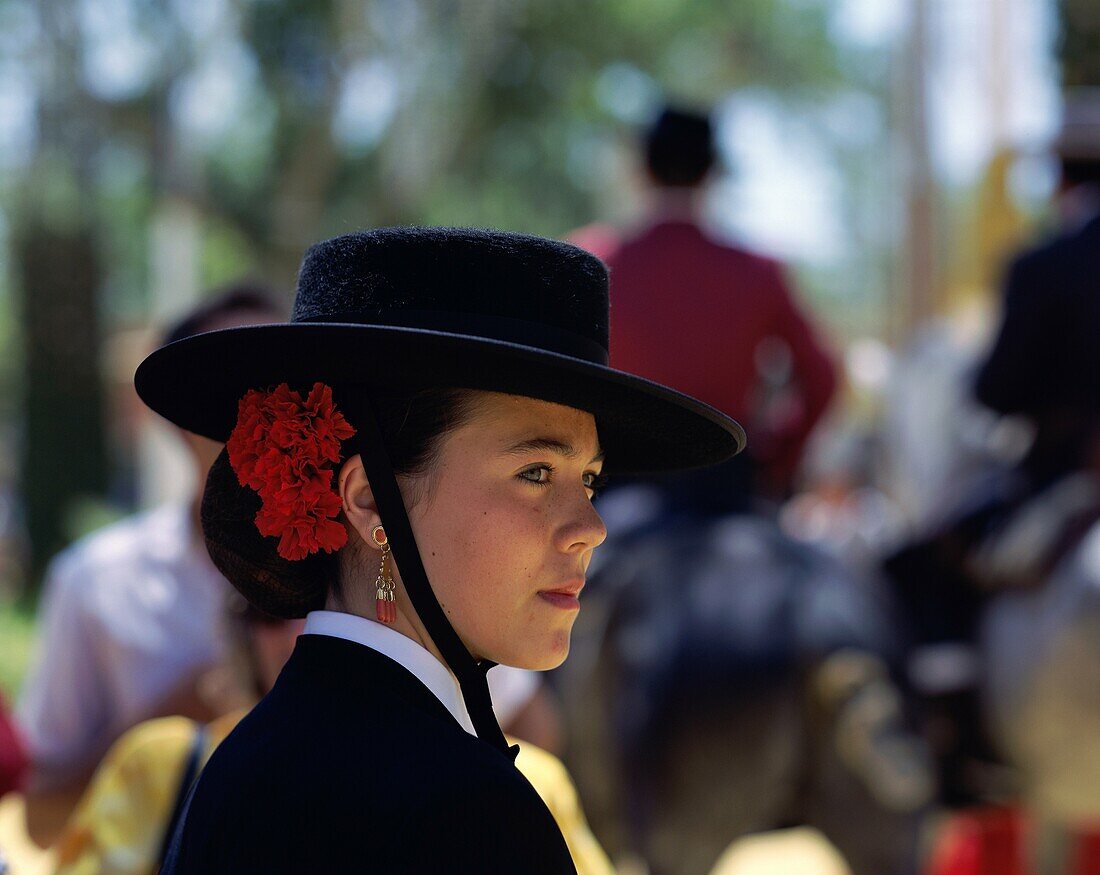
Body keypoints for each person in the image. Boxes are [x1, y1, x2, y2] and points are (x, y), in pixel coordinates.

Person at [133, 226, 745, 873]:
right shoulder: (470, 809)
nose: (591, 525)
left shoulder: (240, 760)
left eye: (589, 479)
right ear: (369, 501)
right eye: (536, 471)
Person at [53, 596, 613, 875]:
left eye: (321, 605)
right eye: (277, 608)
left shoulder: (531, 780)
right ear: (240, 626)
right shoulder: (164, 762)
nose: (298, 629)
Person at [16, 286, 284, 847]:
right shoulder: (95, 581)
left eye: (287, 380)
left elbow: (500, 746)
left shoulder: (377, 568)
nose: (264, 410)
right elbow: (38, 815)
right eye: (230, 383)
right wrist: (165, 728)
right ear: (177, 412)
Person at [571, 105, 837, 499]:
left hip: (612, 483)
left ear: (642, 169)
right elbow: (822, 377)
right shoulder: (757, 272)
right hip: (724, 484)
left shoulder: (589, 260)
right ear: (711, 172)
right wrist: (773, 463)